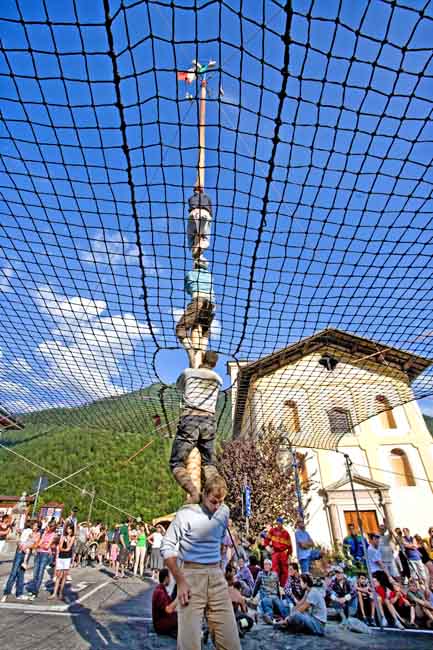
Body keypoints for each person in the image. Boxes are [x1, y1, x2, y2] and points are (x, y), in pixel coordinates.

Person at [160, 475, 241, 650]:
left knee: (231, 643)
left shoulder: (224, 511)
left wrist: (225, 580)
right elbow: (166, 546)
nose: (217, 507)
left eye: (220, 502)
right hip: (190, 576)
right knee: (189, 644)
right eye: (213, 502)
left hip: (216, 577)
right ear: (204, 494)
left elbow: (220, 543)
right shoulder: (186, 514)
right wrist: (180, 582)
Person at [169, 350, 222, 502]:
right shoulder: (218, 379)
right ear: (215, 364)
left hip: (191, 418)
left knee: (176, 462)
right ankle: (218, 495)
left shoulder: (188, 373)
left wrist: (194, 361)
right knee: (209, 463)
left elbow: (180, 387)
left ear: (202, 358)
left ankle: (193, 492)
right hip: (209, 420)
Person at [176, 262, 215, 369]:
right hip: (211, 305)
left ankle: (191, 352)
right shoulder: (210, 276)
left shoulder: (190, 274)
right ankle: (202, 353)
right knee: (204, 330)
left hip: (198, 301)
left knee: (180, 328)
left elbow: (188, 289)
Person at [1, 521, 40, 602]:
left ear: (38, 527)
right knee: (13, 573)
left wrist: (28, 546)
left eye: (35, 525)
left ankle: (19, 593)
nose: (34, 526)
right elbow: (19, 540)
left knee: (21, 574)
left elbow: (36, 545)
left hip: (26, 554)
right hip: (20, 552)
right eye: (34, 525)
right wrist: (21, 545)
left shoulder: (37, 534)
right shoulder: (28, 531)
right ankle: (6, 593)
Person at [26, 520, 58, 600]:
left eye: (50, 526)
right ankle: (33, 589)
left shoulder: (53, 534)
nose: (48, 528)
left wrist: (41, 545)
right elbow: (40, 543)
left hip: (45, 554)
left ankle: (35, 592)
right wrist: (40, 545)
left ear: (53, 527)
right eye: (48, 526)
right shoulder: (44, 533)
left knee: (40, 573)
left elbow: (47, 546)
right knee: (35, 573)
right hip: (38, 553)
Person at [252, 557, 289, 624]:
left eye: (268, 564)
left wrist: (279, 597)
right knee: (268, 606)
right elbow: (256, 586)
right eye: (265, 564)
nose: (266, 566)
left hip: (274, 595)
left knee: (281, 606)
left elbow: (277, 586)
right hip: (266, 595)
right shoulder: (260, 574)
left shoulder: (275, 574)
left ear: (270, 566)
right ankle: (270, 619)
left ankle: (287, 619)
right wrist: (253, 595)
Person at [49, 523, 75, 600]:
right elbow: (60, 546)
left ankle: (60, 592)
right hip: (61, 557)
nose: (69, 530)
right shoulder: (63, 536)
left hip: (67, 557)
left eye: (70, 529)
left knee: (64, 575)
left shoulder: (72, 537)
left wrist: (67, 541)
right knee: (58, 575)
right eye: (67, 529)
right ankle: (54, 593)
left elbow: (69, 547)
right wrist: (64, 547)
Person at [265, 516, 292, 587]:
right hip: (275, 552)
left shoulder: (286, 533)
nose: (278, 524)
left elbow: (290, 546)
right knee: (275, 569)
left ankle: (283, 586)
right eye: (277, 522)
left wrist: (289, 555)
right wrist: (268, 548)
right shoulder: (272, 531)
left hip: (283, 553)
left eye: (280, 522)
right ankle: (275, 585)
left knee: (284, 570)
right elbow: (266, 541)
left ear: (282, 523)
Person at [152, 568, 178, 638]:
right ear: (166, 578)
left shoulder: (161, 590)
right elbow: (168, 610)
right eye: (169, 578)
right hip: (160, 625)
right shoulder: (160, 592)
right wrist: (178, 598)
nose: (170, 580)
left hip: (161, 621)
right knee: (181, 619)